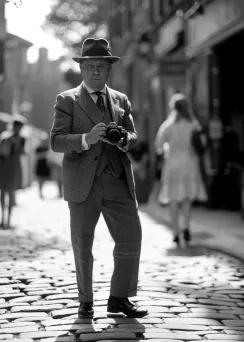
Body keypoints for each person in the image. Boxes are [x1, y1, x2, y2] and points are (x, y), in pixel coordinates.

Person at [50, 38, 148, 319]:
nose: (96, 72)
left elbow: (132, 134)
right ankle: (86, 301)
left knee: (131, 237)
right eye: (90, 66)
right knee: (83, 243)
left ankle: (119, 297)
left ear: (109, 69)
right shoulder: (66, 100)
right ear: (81, 68)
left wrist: (124, 141)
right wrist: (86, 138)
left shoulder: (120, 100)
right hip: (84, 182)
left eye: (101, 67)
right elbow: (56, 141)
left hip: (117, 178)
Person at [155, 93, 207, 247]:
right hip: (190, 164)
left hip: (172, 164)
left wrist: (166, 149)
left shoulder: (168, 126)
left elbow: (158, 146)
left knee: (173, 198)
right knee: (186, 198)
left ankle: (176, 232)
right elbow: (202, 144)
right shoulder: (193, 124)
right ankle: (186, 228)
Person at [0, 117, 26, 229]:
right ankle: (3, 219)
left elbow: (22, 152)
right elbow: (0, 152)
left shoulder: (22, 139)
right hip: (5, 166)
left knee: (10, 193)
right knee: (3, 192)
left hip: (13, 167)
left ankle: (8, 220)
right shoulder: (5, 137)